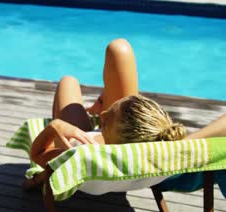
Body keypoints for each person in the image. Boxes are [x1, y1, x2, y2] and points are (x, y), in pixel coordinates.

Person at [31, 38, 226, 168]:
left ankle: (96, 108)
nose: (104, 114)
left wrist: (55, 126)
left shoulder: (80, 153)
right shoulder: (161, 147)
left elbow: (39, 155)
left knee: (69, 81)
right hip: (118, 138)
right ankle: (99, 106)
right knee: (119, 49)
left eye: (106, 118)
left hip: (85, 138)